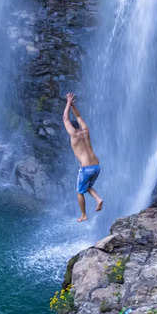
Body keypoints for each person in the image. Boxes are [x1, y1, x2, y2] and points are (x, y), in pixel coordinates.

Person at [63, 92, 103, 222]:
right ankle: (98, 199)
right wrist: (73, 105)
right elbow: (78, 116)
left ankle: (84, 215)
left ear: (71, 128)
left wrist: (68, 102)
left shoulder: (74, 135)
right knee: (86, 186)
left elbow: (65, 118)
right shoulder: (85, 130)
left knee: (79, 191)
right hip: (96, 166)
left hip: (86, 168)